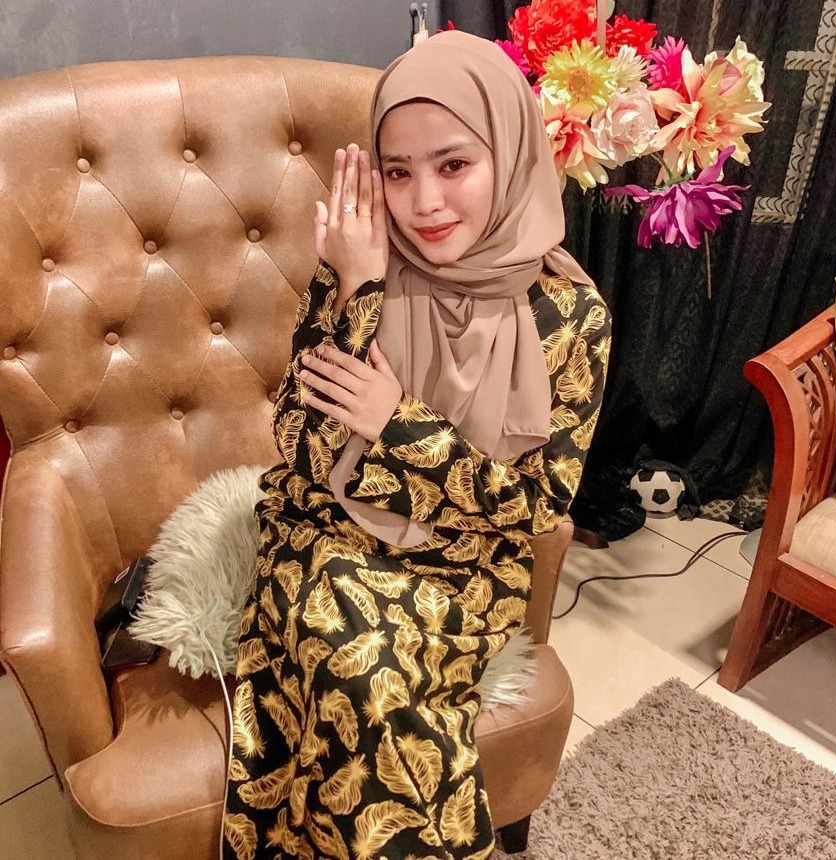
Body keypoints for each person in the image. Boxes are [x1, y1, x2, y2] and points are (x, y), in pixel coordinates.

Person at [224, 29, 610, 860]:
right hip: (327, 529)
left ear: (510, 154)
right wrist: (361, 287)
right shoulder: (361, 265)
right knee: (350, 657)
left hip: (470, 563)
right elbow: (296, 443)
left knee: (370, 679)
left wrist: (396, 423)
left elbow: (535, 506)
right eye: (397, 173)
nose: (424, 203)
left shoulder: (570, 315)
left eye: (453, 164)